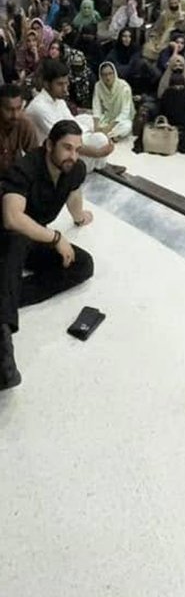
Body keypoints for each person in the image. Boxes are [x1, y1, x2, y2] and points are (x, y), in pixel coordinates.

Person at [1, 121, 97, 389]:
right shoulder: (25, 169)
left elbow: (73, 194)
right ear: (49, 145)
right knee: (18, 238)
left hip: (35, 237)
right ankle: (3, 346)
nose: (73, 156)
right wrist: (56, 238)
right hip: (7, 236)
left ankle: (6, 298)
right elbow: (12, 218)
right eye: (67, 147)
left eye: (77, 149)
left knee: (83, 265)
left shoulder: (73, 169)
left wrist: (79, 217)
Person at [25, 60, 115, 171]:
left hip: (68, 144)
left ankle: (97, 164)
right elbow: (62, 140)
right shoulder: (39, 107)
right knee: (100, 141)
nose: (65, 89)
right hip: (51, 156)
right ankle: (97, 165)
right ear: (47, 84)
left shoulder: (59, 102)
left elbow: (73, 124)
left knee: (91, 123)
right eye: (60, 84)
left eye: (66, 83)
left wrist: (91, 133)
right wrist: (96, 152)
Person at [0, 85, 40, 176]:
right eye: (9, 110)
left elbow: (35, 158)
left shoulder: (25, 124)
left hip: (14, 177)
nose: (15, 115)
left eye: (18, 108)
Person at [90, 61, 134, 141]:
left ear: (114, 73)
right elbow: (96, 107)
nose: (108, 77)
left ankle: (106, 135)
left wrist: (110, 127)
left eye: (110, 74)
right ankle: (109, 136)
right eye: (104, 75)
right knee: (86, 120)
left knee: (127, 126)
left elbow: (125, 112)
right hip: (107, 118)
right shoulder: (98, 86)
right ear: (101, 76)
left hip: (120, 120)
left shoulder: (124, 87)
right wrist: (96, 126)